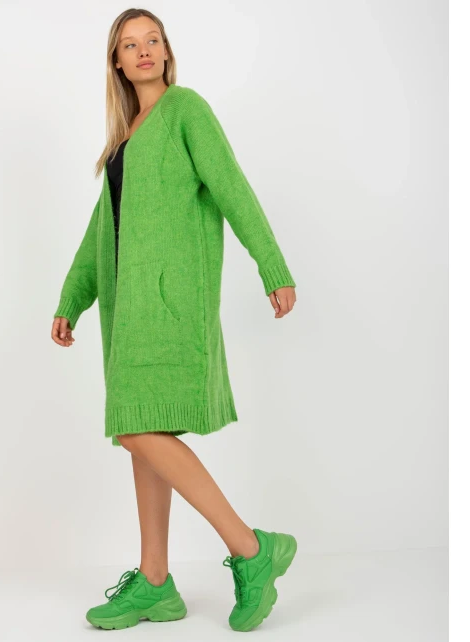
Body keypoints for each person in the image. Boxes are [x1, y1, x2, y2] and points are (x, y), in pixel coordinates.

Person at [51, 8, 298, 632]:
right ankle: (156, 582)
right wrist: (71, 299)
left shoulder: (186, 109)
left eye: (152, 40)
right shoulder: (123, 140)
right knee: (143, 434)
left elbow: (232, 187)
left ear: (166, 51)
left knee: (137, 428)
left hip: (168, 304)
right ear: (115, 61)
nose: (142, 51)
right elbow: (100, 232)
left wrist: (272, 266)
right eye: (129, 44)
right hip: (127, 310)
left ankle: (251, 549)